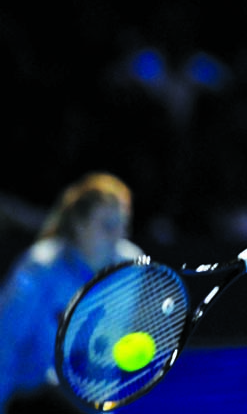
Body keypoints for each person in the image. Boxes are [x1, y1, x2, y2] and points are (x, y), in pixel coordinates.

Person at [0, 172, 143, 413]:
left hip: (76, 398)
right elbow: (5, 344)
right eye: (107, 225)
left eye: (123, 224)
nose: (118, 235)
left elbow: (104, 359)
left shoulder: (130, 268)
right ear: (78, 225)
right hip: (24, 394)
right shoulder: (40, 268)